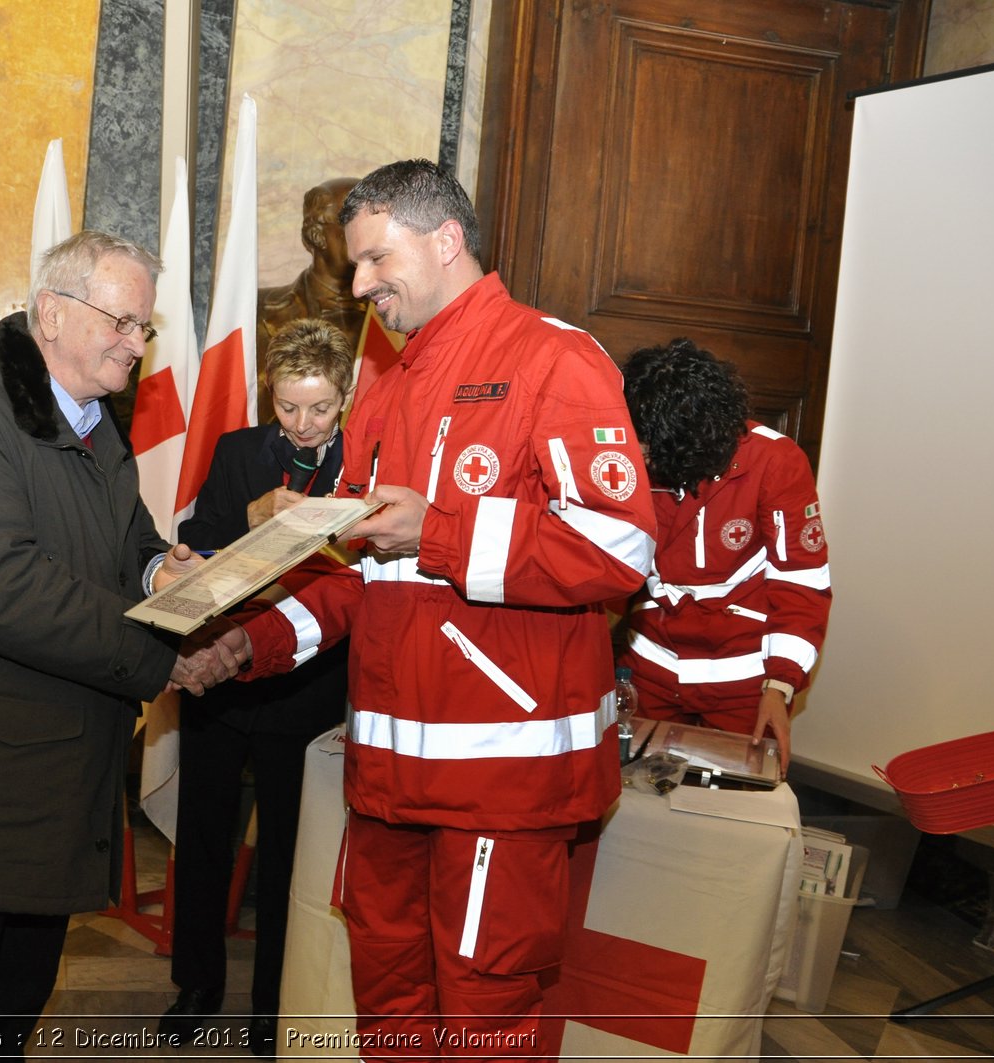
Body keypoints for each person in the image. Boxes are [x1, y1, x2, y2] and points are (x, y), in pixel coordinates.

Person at [205, 159, 656, 1058]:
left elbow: (620, 550)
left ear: (446, 240)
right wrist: (234, 646)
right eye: (355, 265)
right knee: (390, 1005)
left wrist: (440, 531)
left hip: (500, 782)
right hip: (388, 776)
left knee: (484, 1018)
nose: (360, 284)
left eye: (375, 260)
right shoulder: (386, 387)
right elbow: (354, 573)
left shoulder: (553, 357)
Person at [0, 230, 240, 1059]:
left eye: (143, 328)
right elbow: (2, 589)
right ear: (51, 313)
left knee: (14, 1006)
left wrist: (162, 573)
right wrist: (164, 656)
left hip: (60, 783)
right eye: (122, 321)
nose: (135, 344)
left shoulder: (94, 424)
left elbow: (130, 542)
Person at [159, 319, 353, 1056]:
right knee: (204, 839)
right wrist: (249, 518)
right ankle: (197, 985)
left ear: (346, 398)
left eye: (320, 408)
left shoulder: (362, 461)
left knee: (285, 854)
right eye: (288, 406)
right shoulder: (239, 449)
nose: (302, 424)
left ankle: (273, 1007)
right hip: (222, 668)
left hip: (309, 684)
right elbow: (196, 538)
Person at [616, 338, 831, 774]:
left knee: (737, 808)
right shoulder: (628, 454)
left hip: (744, 681)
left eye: (649, 450)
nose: (640, 456)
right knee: (634, 800)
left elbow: (802, 583)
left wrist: (781, 685)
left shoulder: (775, 462)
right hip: (650, 665)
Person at [256, 178, 362, 409]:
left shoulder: (391, 315)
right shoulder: (258, 309)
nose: (366, 236)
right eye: (352, 223)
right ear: (317, 235)